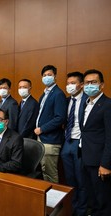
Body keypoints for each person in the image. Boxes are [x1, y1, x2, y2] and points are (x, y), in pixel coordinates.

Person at [80, 69, 111, 215]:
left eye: (94, 82)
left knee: (102, 200)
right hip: (86, 158)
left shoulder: (107, 105)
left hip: (99, 162)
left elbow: (110, 137)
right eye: (87, 83)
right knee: (91, 196)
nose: (89, 85)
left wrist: (105, 164)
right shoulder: (86, 104)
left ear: (102, 85)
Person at [60, 72, 88, 216]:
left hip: (81, 143)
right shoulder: (66, 100)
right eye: (68, 83)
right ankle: (71, 208)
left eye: (73, 83)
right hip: (67, 142)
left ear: (81, 85)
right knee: (70, 179)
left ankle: (81, 211)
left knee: (81, 179)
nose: (69, 86)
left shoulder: (87, 100)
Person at [34, 65, 67, 183]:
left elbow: (60, 118)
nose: (47, 77)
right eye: (44, 75)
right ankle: (48, 198)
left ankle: (55, 200)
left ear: (55, 76)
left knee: (50, 173)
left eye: (49, 75)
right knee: (44, 170)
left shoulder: (58, 94)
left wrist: (42, 129)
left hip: (51, 140)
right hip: (42, 139)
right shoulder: (45, 94)